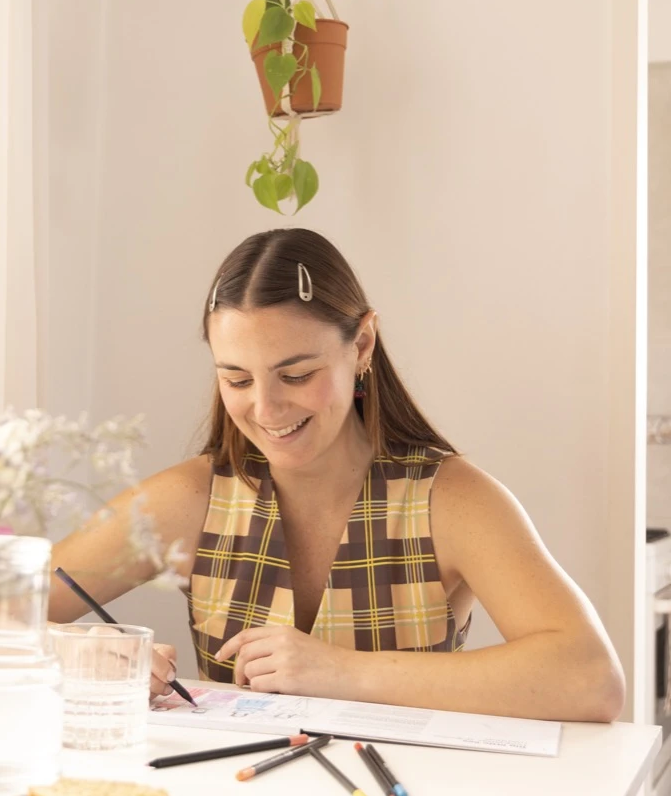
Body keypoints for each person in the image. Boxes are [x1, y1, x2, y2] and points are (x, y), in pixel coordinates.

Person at [49, 228, 625, 722]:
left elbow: (590, 678)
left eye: (296, 375)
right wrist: (82, 647)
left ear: (363, 344)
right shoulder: (189, 499)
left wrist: (339, 672)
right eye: (238, 380)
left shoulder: (450, 500)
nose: (267, 410)